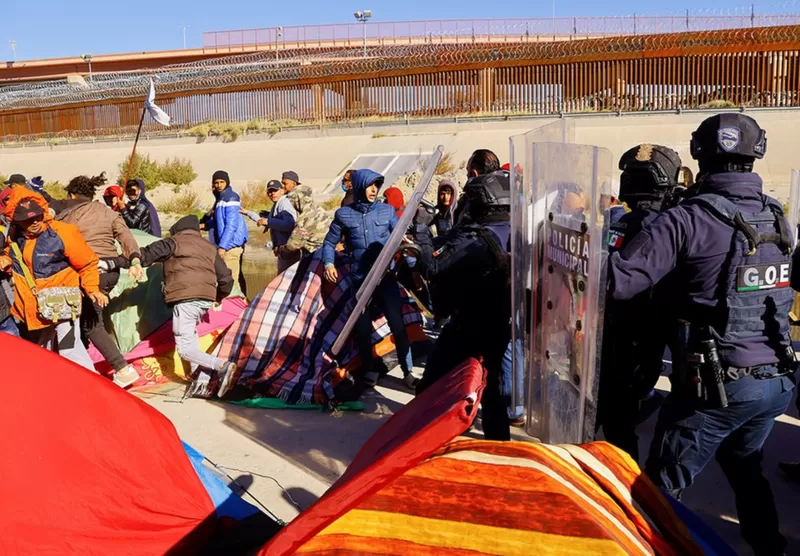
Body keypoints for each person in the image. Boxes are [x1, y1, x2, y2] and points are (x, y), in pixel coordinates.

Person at [609, 113, 794, 555]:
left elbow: (618, 282)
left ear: (699, 153)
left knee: (656, 496)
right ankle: (770, 546)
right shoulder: (776, 216)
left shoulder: (685, 219)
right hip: (775, 382)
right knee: (745, 467)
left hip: (717, 388)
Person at [413, 162, 512, 442]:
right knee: (494, 393)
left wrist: (421, 230)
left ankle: (421, 440)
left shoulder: (476, 237)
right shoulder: (516, 230)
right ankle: (499, 447)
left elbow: (433, 265)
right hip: (499, 322)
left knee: (432, 385)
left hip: (468, 324)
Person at [597, 144, 683, 462]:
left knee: (618, 429)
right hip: (617, 339)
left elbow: (620, 283)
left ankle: (624, 494)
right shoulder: (628, 222)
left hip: (632, 341)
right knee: (612, 423)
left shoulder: (654, 227)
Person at [104, 215, 237, 398]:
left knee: (184, 348)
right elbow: (226, 279)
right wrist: (219, 297)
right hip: (205, 300)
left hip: (186, 299)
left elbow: (145, 255)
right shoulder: (209, 247)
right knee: (191, 340)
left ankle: (222, 366)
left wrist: (115, 262)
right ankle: (202, 382)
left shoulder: (173, 243)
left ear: (177, 230)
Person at [321, 169, 419, 388]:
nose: (374, 190)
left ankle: (408, 371)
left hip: (386, 279)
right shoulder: (343, 215)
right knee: (363, 329)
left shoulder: (386, 211)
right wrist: (329, 263)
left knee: (398, 325)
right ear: (358, 186)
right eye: (370, 185)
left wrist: (411, 257)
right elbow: (328, 243)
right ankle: (370, 370)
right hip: (360, 282)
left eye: (377, 185)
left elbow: (400, 237)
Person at [54, 174, 144, 388]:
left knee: (91, 325)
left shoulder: (67, 214)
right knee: (88, 320)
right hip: (111, 271)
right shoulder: (107, 212)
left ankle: (122, 368)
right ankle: (86, 365)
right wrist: (135, 259)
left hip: (88, 273)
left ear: (71, 194)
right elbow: (126, 236)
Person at [3, 189, 103, 371]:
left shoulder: (62, 232)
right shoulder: (14, 237)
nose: (33, 222)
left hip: (63, 306)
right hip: (34, 309)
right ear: (16, 220)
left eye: (37, 216)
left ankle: (89, 388)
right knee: (43, 354)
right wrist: (6, 261)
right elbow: (14, 261)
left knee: (70, 350)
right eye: (26, 219)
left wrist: (92, 289)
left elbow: (87, 263)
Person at [202, 171, 248, 296]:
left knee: (231, 283)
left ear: (227, 182)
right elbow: (218, 221)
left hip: (231, 246)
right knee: (228, 281)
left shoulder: (231, 198)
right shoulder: (221, 198)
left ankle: (240, 311)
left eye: (222, 182)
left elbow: (230, 225)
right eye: (216, 182)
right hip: (225, 245)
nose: (219, 185)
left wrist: (223, 246)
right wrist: (203, 225)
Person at [242, 180, 298, 273]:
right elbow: (264, 221)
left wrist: (268, 222)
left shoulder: (284, 203)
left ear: (281, 191)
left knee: (286, 282)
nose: (272, 194)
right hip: (283, 251)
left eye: (275, 191)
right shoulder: (277, 204)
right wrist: (248, 213)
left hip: (289, 250)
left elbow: (288, 224)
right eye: (270, 192)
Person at [279, 172, 331, 263]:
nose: (292, 203)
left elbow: (293, 245)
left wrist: (281, 249)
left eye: (293, 200)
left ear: (298, 199)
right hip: (328, 254)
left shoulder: (304, 218)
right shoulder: (320, 210)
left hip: (314, 257)